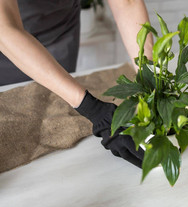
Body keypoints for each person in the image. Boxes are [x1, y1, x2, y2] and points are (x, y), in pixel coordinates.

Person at [0, 0, 153, 167]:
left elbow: (127, 4)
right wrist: (94, 109)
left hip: (61, 26)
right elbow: (5, 29)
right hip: (7, 43)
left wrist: (150, 80)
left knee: (53, 107)